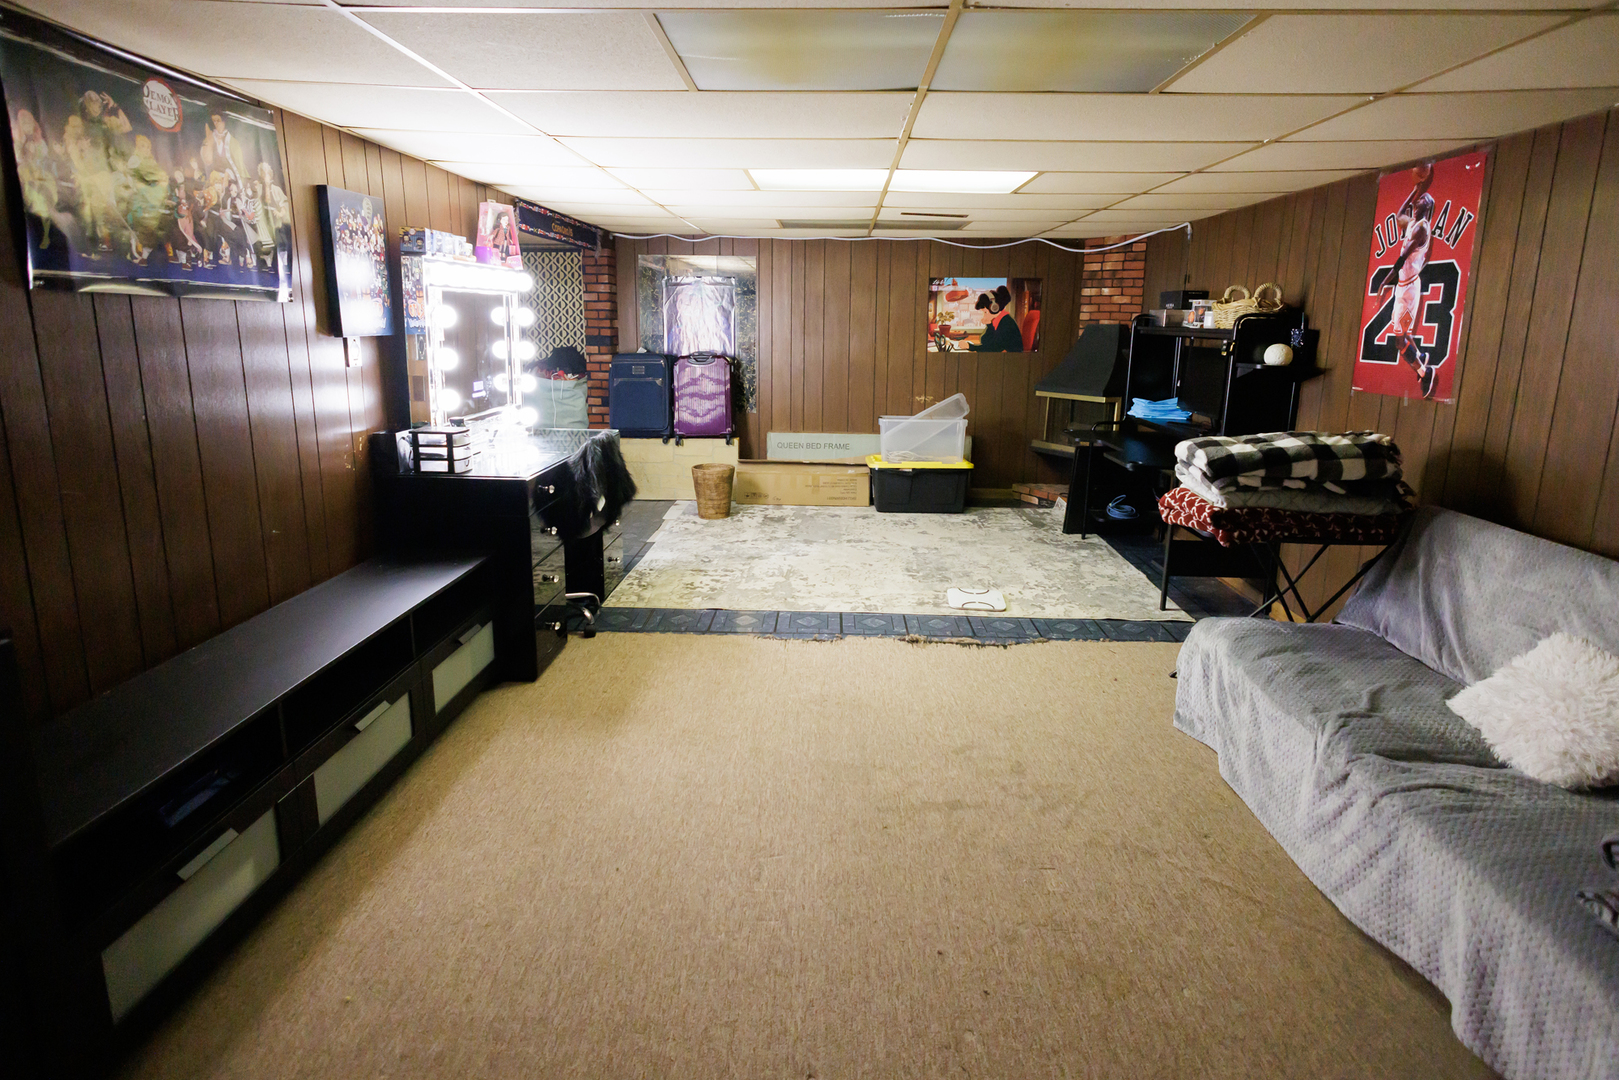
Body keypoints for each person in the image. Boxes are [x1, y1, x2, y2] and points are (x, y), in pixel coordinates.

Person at [1382, 164, 1437, 398]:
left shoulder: (1420, 230)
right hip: (1403, 288)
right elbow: (1399, 214)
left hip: (1408, 289)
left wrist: (1385, 283)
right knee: (1403, 334)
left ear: (1428, 208)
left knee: (1399, 341)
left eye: (1424, 199)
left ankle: (1425, 372)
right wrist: (1415, 190)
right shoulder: (1412, 222)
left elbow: (1400, 260)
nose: (1421, 199)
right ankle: (1421, 358)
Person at [968, 284, 1024, 352]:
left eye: (985, 312)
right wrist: (989, 325)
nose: (984, 316)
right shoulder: (998, 320)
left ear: (994, 309)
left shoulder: (1006, 323)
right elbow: (985, 341)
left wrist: (970, 347)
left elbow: (994, 348)